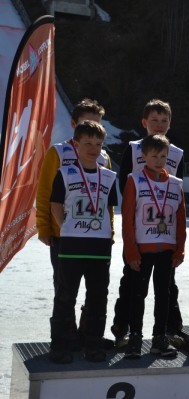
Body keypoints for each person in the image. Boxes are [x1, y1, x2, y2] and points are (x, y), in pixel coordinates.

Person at [36, 98, 113, 351]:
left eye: (97, 124)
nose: (92, 127)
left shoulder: (103, 157)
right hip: (63, 235)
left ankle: (87, 336)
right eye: (86, 123)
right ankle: (64, 338)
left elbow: (106, 201)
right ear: (74, 124)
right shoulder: (57, 152)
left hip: (95, 237)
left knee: (96, 292)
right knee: (65, 289)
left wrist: (110, 229)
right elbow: (47, 193)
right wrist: (45, 228)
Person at [112, 99, 185, 349]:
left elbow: (177, 192)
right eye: (154, 120)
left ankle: (169, 329)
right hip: (140, 228)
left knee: (167, 285)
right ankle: (123, 329)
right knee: (131, 282)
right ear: (145, 123)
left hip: (164, 233)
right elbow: (124, 182)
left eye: (164, 120)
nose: (159, 125)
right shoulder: (134, 149)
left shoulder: (175, 153)